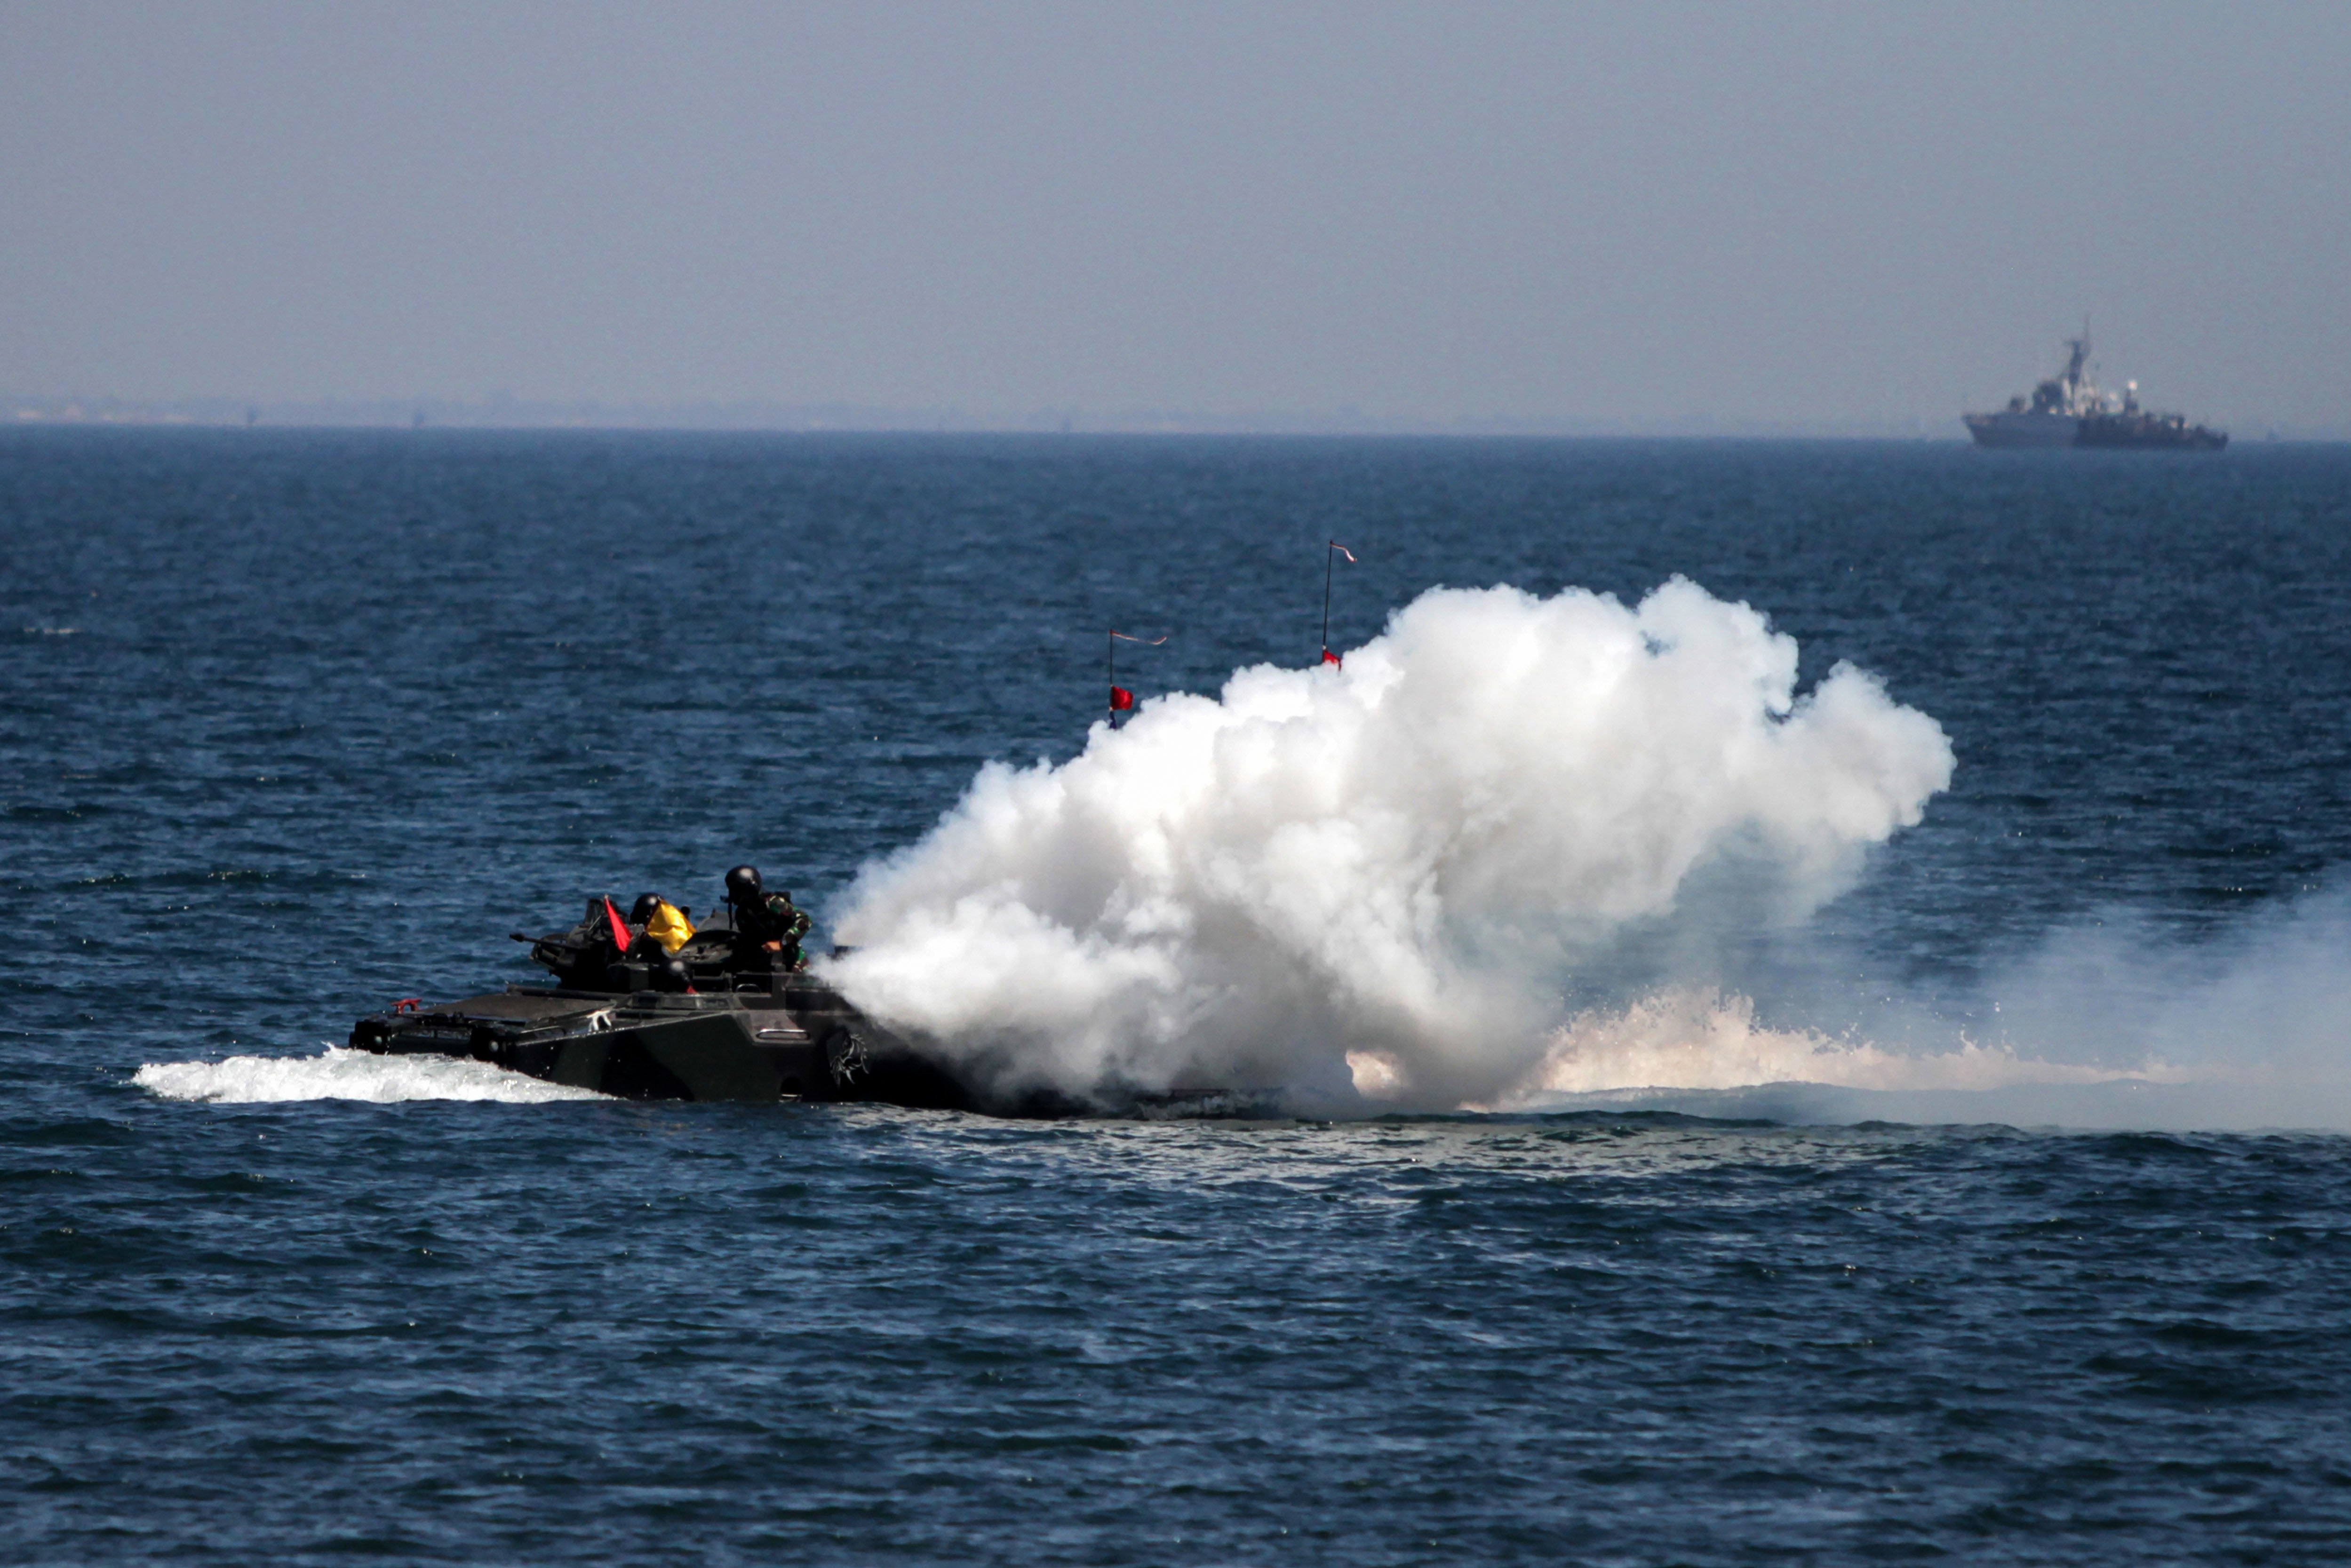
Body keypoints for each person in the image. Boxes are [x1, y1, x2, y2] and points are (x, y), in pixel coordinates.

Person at [724, 865, 813, 975]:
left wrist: (782, 943)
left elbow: (805, 920)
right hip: (763, 960)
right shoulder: (744, 912)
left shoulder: (772, 903)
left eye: (736, 891)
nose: (733, 895)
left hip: (791, 960)